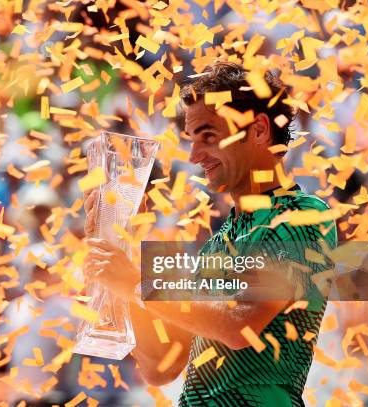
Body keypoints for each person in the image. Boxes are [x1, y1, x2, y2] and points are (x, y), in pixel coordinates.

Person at [82, 61, 338, 406]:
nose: (195, 155)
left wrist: (133, 283)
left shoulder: (301, 215)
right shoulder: (219, 242)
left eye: (209, 136)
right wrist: (122, 258)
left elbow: (240, 326)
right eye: (192, 139)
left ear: (259, 129)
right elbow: (162, 366)